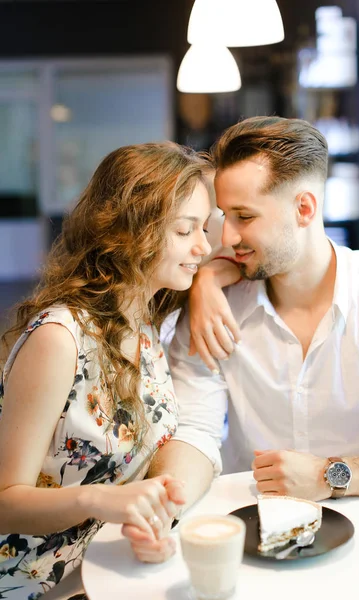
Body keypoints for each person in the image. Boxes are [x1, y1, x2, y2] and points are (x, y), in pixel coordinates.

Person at [0, 141, 213, 599]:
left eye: (205, 228)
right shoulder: (60, 339)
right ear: (132, 231)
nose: (204, 245)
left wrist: (144, 524)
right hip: (31, 585)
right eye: (185, 230)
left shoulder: (145, 322)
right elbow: (4, 501)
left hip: (102, 572)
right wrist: (101, 502)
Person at [165, 115, 359, 506]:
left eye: (245, 216)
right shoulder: (214, 307)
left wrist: (331, 474)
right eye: (225, 216)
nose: (226, 238)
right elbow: (195, 428)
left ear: (304, 209)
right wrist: (169, 498)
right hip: (253, 533)